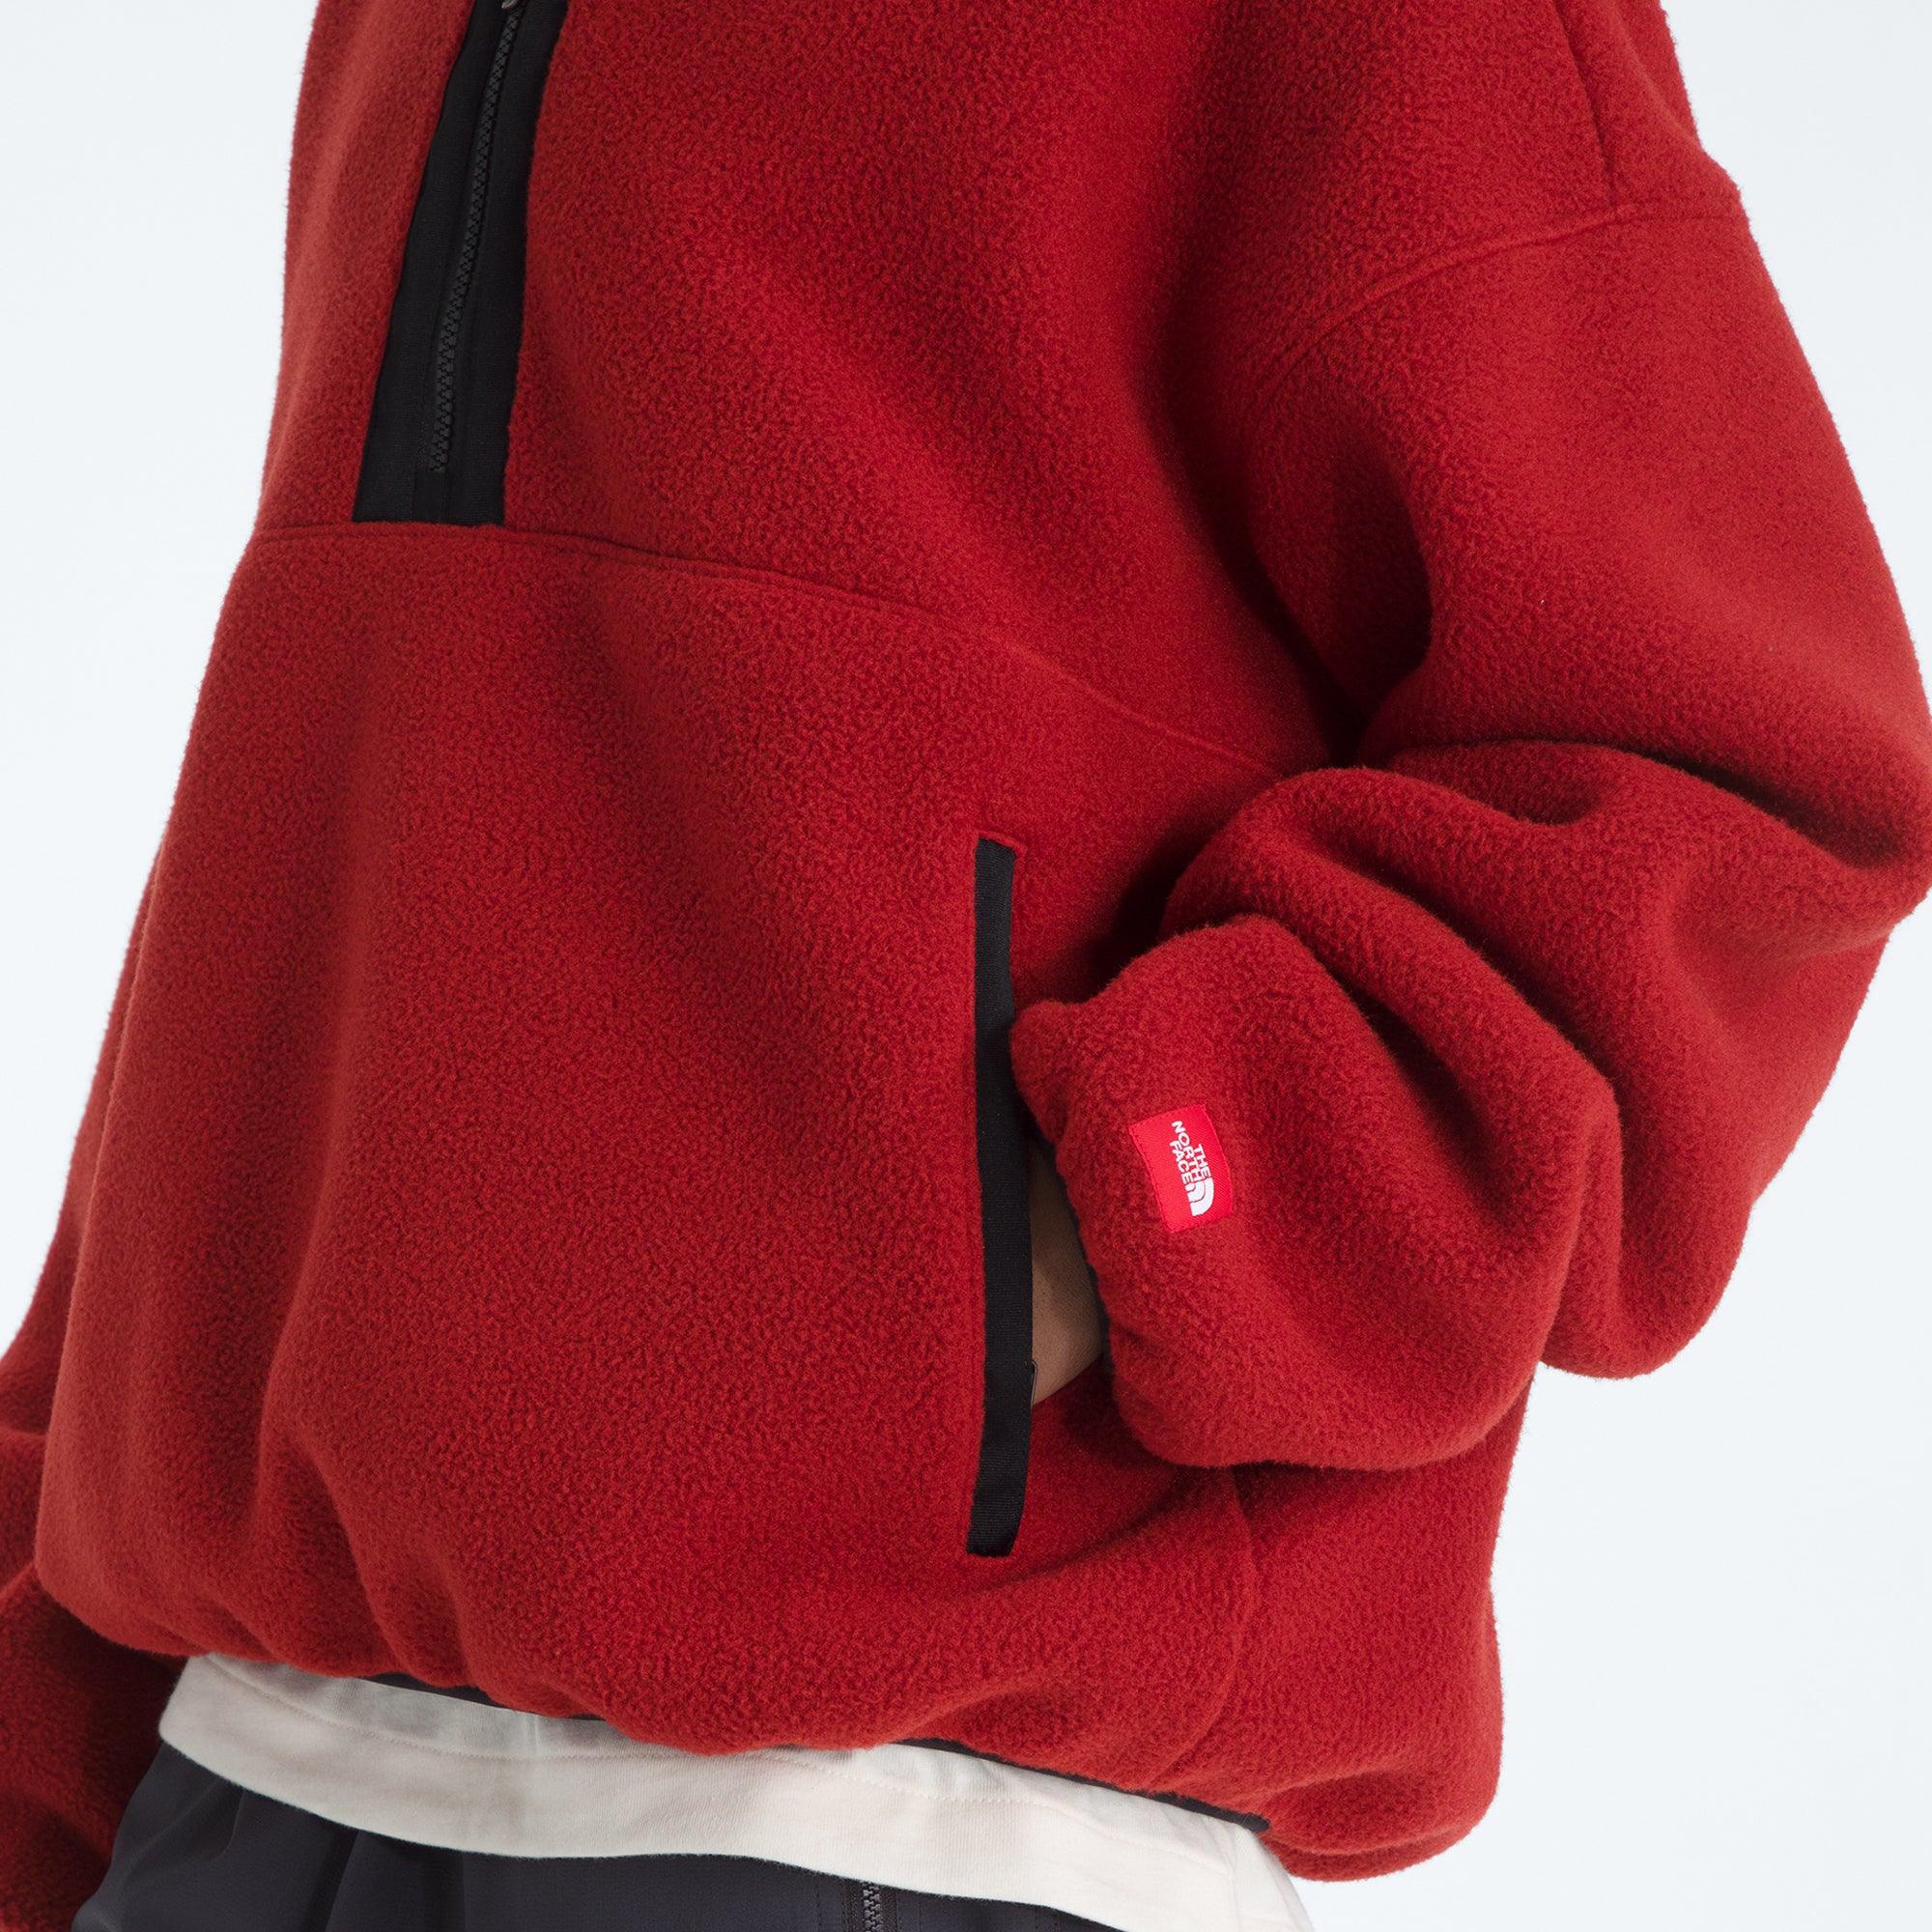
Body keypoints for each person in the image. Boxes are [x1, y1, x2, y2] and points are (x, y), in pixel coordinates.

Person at [4, 1, 1929, 1927]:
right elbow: (324, 856)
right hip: (233, 1781)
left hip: (885, 1820)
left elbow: (1730, 771)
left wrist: (1139, 1218)